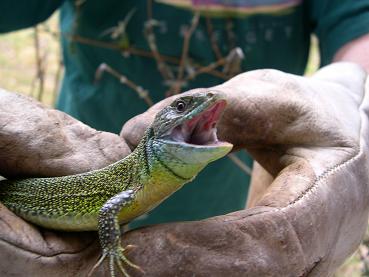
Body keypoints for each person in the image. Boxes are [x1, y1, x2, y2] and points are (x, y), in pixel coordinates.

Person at [0, 0, 369, 276]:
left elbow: (358, 22)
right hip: (46, 180)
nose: (207, 103)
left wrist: (350, 97)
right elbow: (110, 209)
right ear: (157, 133)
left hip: (237, 207)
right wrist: (111, 248)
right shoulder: (134, 177)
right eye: (180, 108)